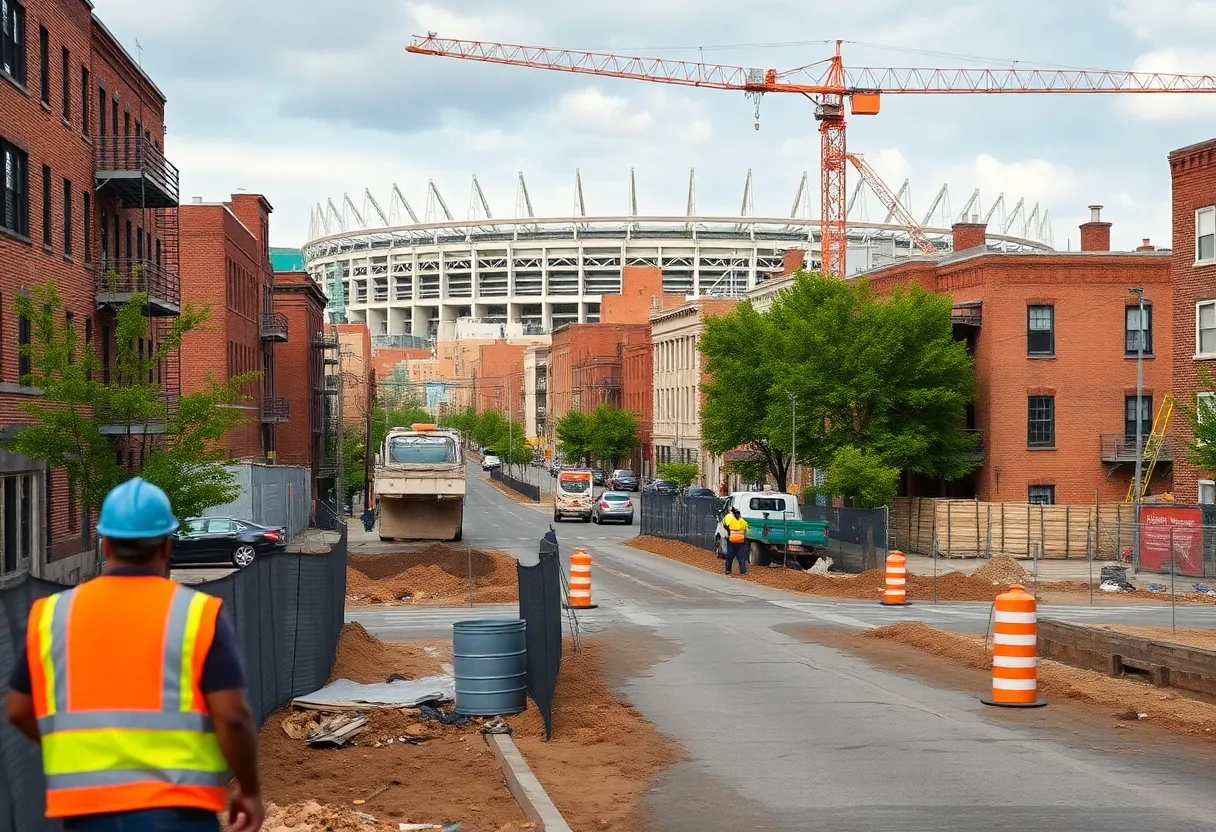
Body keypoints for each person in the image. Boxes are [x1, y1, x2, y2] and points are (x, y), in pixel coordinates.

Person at [5, 477, 264, 832]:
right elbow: (232, 716)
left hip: (87, 813)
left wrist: (74, 746)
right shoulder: (197, 614)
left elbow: (19, 709)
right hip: (178, 811)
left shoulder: (52, 615)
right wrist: (249, 790)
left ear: (105, 545)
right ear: (166, 546)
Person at [723, 507, 749, 576]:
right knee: (741, 556)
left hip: (732, 539)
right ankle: (743, 571)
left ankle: (728, 570)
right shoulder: (741, 520)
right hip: (740, 540)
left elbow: (725, 525)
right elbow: (746, 528)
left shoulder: (729, 517)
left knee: (730, 555)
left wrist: (728, 532)